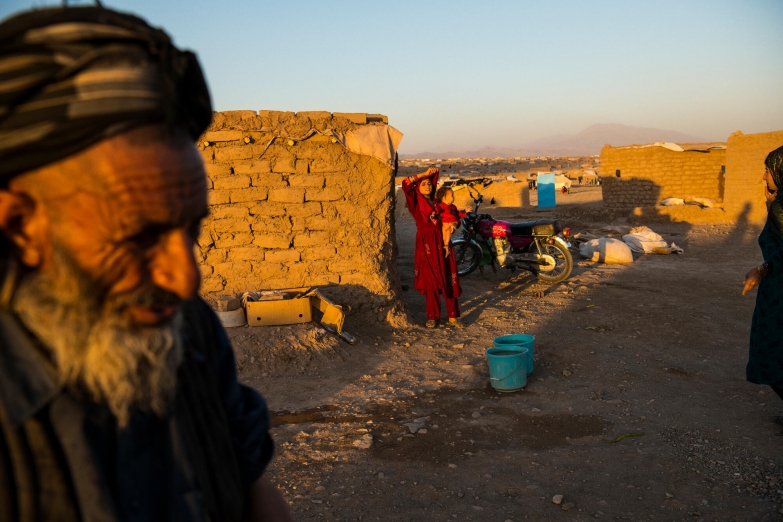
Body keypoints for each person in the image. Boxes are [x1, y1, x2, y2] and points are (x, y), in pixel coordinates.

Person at [0, 5, 291, 521]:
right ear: (21, 226)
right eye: (139, 238)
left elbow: (252, 486)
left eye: (192, 229)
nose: (185, 280)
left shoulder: (191, 332)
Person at [742, 145, 783, 428]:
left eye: (767, 170)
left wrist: (760, 269)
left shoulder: (781, 208)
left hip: (779, 292)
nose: (763, 177)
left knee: (770, 350)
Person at [401, 168, 464, 329]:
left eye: (429, 183)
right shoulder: (415, 203)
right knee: (431, 280)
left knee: (449, 277)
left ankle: (452, 316)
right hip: (427, 244)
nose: (428, 186)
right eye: (423, 184)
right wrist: (423, 174)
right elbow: (405, 183)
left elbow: (453, 217)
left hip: (443, 242)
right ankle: (432, 316)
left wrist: (454, 226)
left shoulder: (438, 203)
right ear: (418, 187)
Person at [434, 186, 466, 257]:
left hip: (451, 224)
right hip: (444, 223)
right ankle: (445, 246)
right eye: (452, 195)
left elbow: (457, 214)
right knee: (445, 232)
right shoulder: (440, 206)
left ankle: (446, 245)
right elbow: (436, 211)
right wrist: (433, 214)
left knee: (448, 230)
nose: (453, 197)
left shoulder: (453, 207)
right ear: (443, 198)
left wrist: (465, 212)